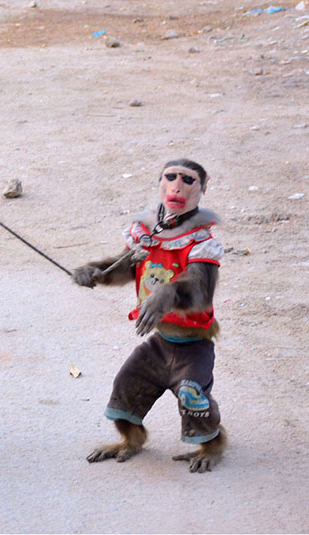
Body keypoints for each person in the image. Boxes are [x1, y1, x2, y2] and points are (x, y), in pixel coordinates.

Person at [71, 159, 226, 473]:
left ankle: (213, 444)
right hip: (159, 343)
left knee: (191, 394)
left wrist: (167, 293)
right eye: (171, 177)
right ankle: (130, 440)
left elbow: (200, 291)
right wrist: (96, 272)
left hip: (193, 343)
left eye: (188, 180)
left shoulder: (200, 240)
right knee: (126, 386)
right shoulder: (146, 231)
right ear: (160, 183)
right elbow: (126, 266)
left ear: (202, 190)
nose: (178, 185)